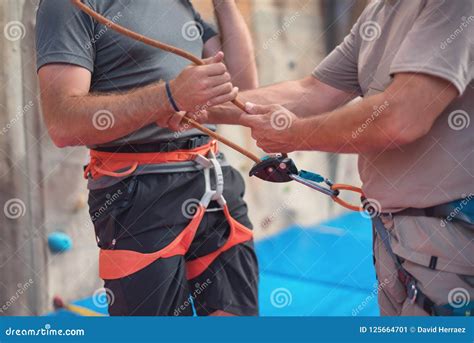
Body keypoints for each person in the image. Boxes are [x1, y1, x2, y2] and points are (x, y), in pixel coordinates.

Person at [202, 0, 474, 316]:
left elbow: (401, 117)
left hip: (451, 235)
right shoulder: (379, 12)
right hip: (393, 235)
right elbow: (313, 90)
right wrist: (188, 108)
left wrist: (295, 133)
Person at [36, 0, 259, 316]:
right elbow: (62, 123)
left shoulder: (181, 5)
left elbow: (244, 88)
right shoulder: (71, 5)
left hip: (214, 180)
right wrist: (167, 96)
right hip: (139, 193)